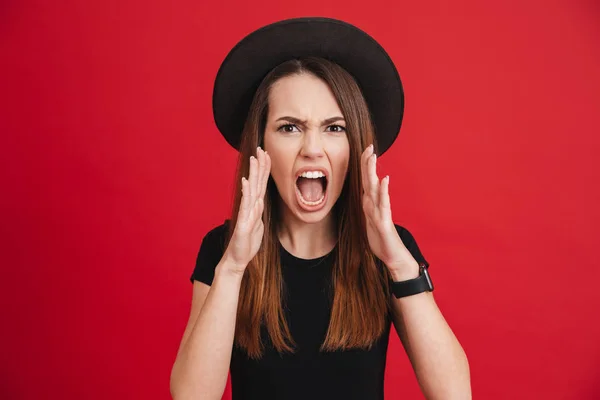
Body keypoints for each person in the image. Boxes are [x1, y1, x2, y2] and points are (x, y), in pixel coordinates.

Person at [170, 17, 471, 400]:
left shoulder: (392, 252)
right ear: (260, 146)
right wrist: (232, 268)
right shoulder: (222, 249)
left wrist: (398, 262)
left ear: (356, 146)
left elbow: (454, 393)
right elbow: (191, 396)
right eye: (290, 127)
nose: (312, 148)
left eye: (334, 128)